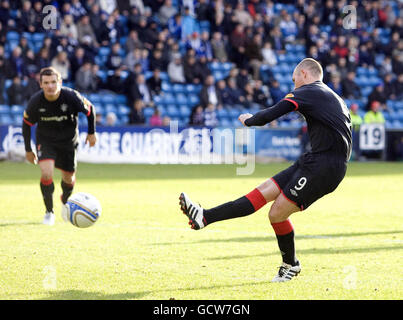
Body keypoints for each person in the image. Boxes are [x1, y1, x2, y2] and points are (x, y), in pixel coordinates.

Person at [179, 58, 352, 282]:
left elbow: (274, 112)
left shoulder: (309, 91)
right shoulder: (331, 95)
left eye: (294, 79)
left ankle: (291, 265)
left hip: (325, 166)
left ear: (305, 75)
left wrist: (250, 120)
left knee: (276, 213)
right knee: (263, 192)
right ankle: (204, 217)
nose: (294, 85)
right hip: (317, 159)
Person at [22, 67, 97, 226]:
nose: (50, 86)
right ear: (40, 84)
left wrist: (92, 133)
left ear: (60, 82)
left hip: (68, 143)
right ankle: (49, 212)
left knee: (68, 178)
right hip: (46, 141)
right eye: (46, 83)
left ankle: (65, 199)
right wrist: (28, 150)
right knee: (46, 172)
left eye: (53, 82)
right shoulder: (35, 101)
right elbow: (26, 124)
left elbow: (90, 110)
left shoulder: (71, 96)